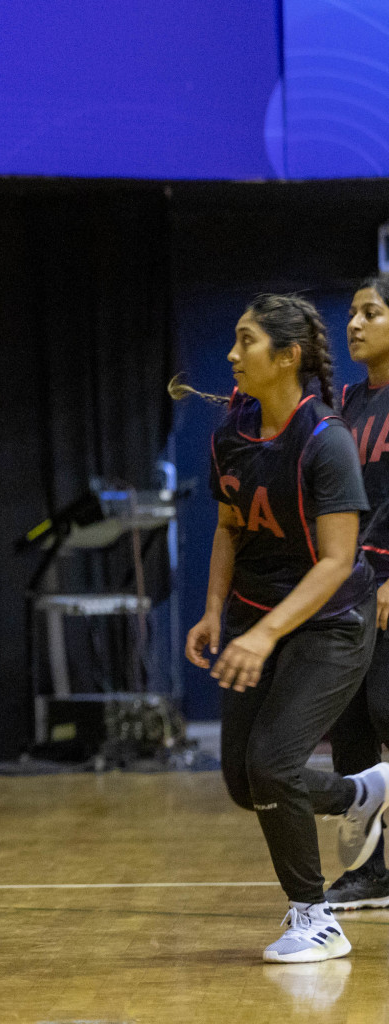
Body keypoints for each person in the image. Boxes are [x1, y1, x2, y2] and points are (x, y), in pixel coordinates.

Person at [180, 294, 389, 963]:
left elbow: (335, 563)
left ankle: (316, 919)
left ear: (288, 356)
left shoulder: (325, 441)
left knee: (274, 763)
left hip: (330, 623)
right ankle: (362, 791)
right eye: (235, 342)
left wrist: (267, 635)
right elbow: (228, 530)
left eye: (247, 342)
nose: (234, 355)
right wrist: (216, 612)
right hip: (252, 615)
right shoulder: (230, 435)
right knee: (246, 782)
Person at [324, 274, 389, 909]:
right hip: (347, 587)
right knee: (347, 724)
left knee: (386, 709)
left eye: (371, 312)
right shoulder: (345, 402)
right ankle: (370, 870)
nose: (355, 324)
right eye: (351, 313)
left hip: (386, 579)